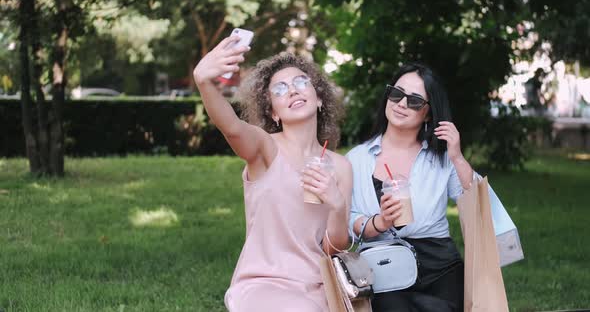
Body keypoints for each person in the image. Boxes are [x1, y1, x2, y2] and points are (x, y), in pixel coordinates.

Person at [192, 36, 352, 312]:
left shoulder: (340, 166)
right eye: (280, 89)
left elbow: (332, 248)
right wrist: (203, 81)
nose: (292, 91)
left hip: (318, 284)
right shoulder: (265, 148)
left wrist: (336, 205)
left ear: (319, 99)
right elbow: (231, 127)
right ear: (273, 112)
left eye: (301, 82)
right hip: (264, 283)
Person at [346, 62, 503, 312]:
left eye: (415, 101)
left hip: (439, 265)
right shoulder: (356, 159)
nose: (401, 103)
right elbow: (348, 222)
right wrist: (380, 222)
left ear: (428, 113)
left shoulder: (441, 159)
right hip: (383, 265)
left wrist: (457, 157)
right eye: (396, 94)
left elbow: (478, 204)